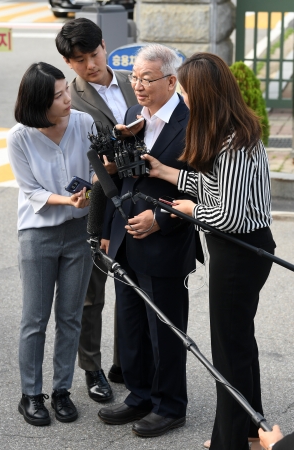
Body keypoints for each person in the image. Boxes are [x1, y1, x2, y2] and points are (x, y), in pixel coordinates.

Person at [141, 52, 276, 449]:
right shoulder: (233, 129)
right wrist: (166, 172)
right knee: (239, 342)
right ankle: (252, 430)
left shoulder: (234, 139)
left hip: (240, 252)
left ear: (206, 92)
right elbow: (217, 188)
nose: (184, 98)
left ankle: (229, 442)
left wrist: (188, 210)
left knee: (228, 351)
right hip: (245, 247)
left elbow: (229, 215)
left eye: (186, 91)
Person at [97, 43, 201, 438]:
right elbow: (122, 180)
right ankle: (139, 395)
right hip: (125, 238)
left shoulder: (193, 124)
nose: (137, 86)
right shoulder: (129, 115)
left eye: (147, 78)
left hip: (166, 240)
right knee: (130, 324)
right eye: (134, 78)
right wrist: (109, 231)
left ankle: (170, 405)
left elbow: (200, 190)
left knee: (166, 329)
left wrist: (160, 220)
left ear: (171, 81)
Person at [55, 18, 139, 401]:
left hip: (141, 197)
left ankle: (127, 363)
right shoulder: (68, 99)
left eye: (94, 53)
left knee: (134, 288)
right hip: (98, 203)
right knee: (92, 294)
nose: (90, 64)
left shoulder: (133, 80)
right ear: (69, 63)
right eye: (79, 59)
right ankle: (92, 369)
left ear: (104, 46)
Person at [7, 62, 94, 426]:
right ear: (40, 103)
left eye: (66, 90)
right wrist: (69, 200)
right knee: (35, 319)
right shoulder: (19, 137)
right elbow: (31, 192)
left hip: (79, 235)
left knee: (71, 317)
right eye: (58, 96)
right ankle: (30, 395)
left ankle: (61, 391)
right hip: (38, 235)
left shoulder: (84, 124)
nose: (68, 98)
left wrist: (92, 185)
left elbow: (97, 167)